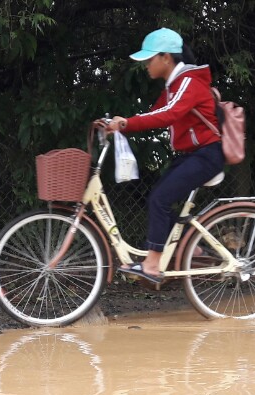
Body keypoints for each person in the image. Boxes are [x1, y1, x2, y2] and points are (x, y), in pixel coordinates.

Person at [99, 28, 223, 282]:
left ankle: (152, 264)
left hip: (206, 154)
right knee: (159, 199)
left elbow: (167, 115)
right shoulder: (175, 85)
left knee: (159, 199)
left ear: (166, 57)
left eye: (149, 58)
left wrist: (125, 124)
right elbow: (152, 115)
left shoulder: (189, 82)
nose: (146, 65)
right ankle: (194, 248)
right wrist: (116, 124)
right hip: (192, 155)